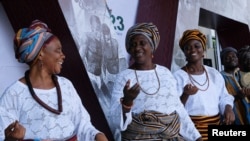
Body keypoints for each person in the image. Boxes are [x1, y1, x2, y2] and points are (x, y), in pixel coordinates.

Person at [0, 19, 108, 141]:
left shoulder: (66, 85)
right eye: (58, 50)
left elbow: (82, 125)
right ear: (40, 54)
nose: (63, 55)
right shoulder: (13, 94)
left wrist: (96, 135)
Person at [109, 22, 202, 141]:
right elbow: (113, 122)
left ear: (152, 46)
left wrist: (196, 137)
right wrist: (127, 102)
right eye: (133, 45)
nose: (137, 48)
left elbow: (178, 109)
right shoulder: (123, 77)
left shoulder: (166, 73)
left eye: (142, 43)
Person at [173, 29, 235, 140]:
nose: (192, 50)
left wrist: (228, 108)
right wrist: (185, 94)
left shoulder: (214, 73)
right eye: (187, 48)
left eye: (197, 46)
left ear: (203, 49)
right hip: (190, 132)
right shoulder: (178, 76)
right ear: (184, 53)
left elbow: (224, 97)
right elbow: (174, 109)